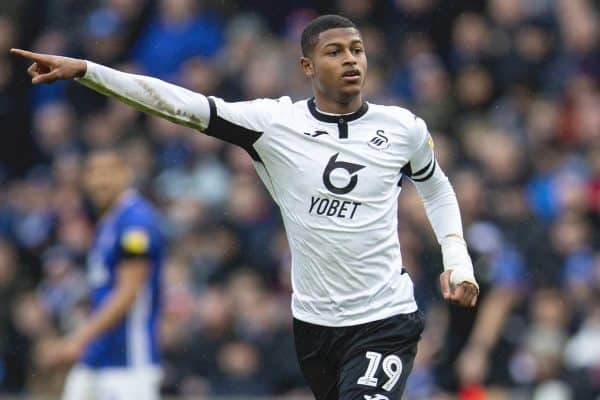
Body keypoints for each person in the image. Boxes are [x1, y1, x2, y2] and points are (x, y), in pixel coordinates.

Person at [12, 14, 478, 399]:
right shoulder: (273, 123)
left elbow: (435, 185)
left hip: (386, 317)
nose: (350, 59)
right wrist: (89, 71)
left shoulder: (402, 128)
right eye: (334, 52)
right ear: (307, 66)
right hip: (315, 324)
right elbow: (180, 105)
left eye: (356, 49)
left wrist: (457, 259)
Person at [41, 147, 165, 399]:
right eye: (93, 172)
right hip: (98, 355)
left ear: (125, 174)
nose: (99, 180)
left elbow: (128, 292)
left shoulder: (136, 220)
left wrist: (77, 339)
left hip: (129, 360)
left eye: (108, 171)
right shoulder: (107, 222)